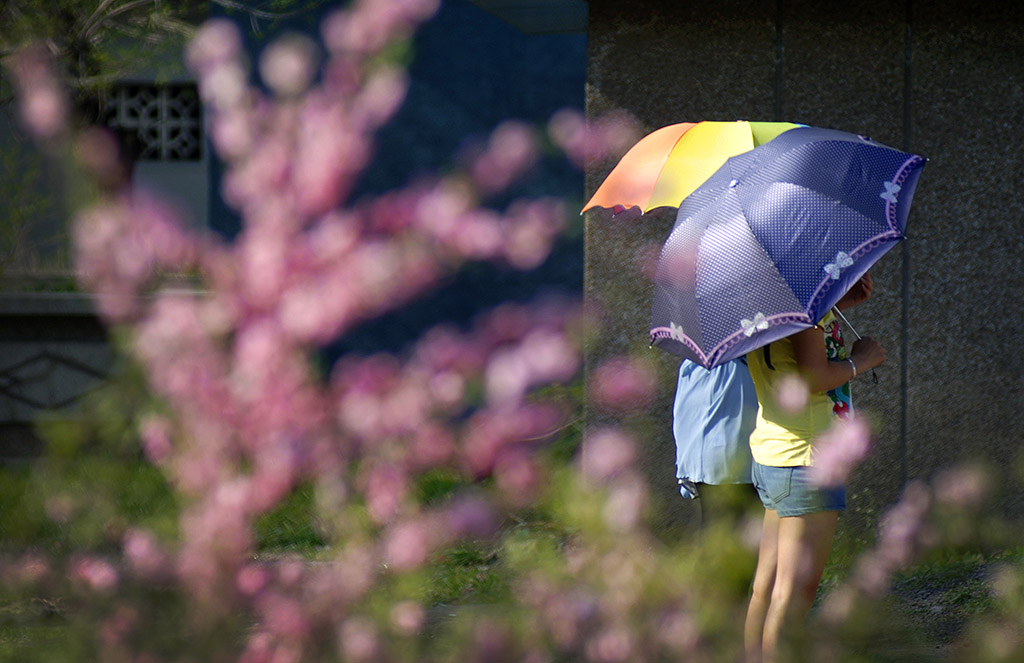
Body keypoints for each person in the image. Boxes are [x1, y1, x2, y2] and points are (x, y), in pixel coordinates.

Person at [742, 274, 884, 663]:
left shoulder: (766, 303)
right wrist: (861, 361)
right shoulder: (802, 309)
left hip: (776, 454)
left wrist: (841, 305)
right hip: (806, 462)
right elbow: (810, 377)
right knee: (794, 593)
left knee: (766, 587)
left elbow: (795, 358)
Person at [673, 357, 760, 529]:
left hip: (699, 458)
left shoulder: (690, 364)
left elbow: (682, 418)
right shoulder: (741, 363)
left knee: (713, 527)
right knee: (736, 533)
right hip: (732, 459)